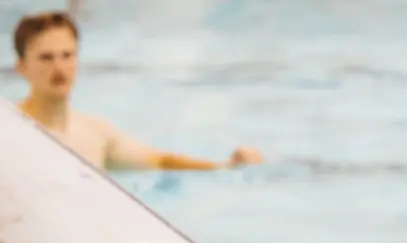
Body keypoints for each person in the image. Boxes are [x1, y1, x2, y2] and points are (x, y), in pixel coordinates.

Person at [14, 12, 262, 172]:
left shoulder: (94, 132)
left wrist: (225, 166)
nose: (59, 68)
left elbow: (159, 161)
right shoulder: (9, 129)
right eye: (46, 58)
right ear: (22, 67)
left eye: (67, 55)